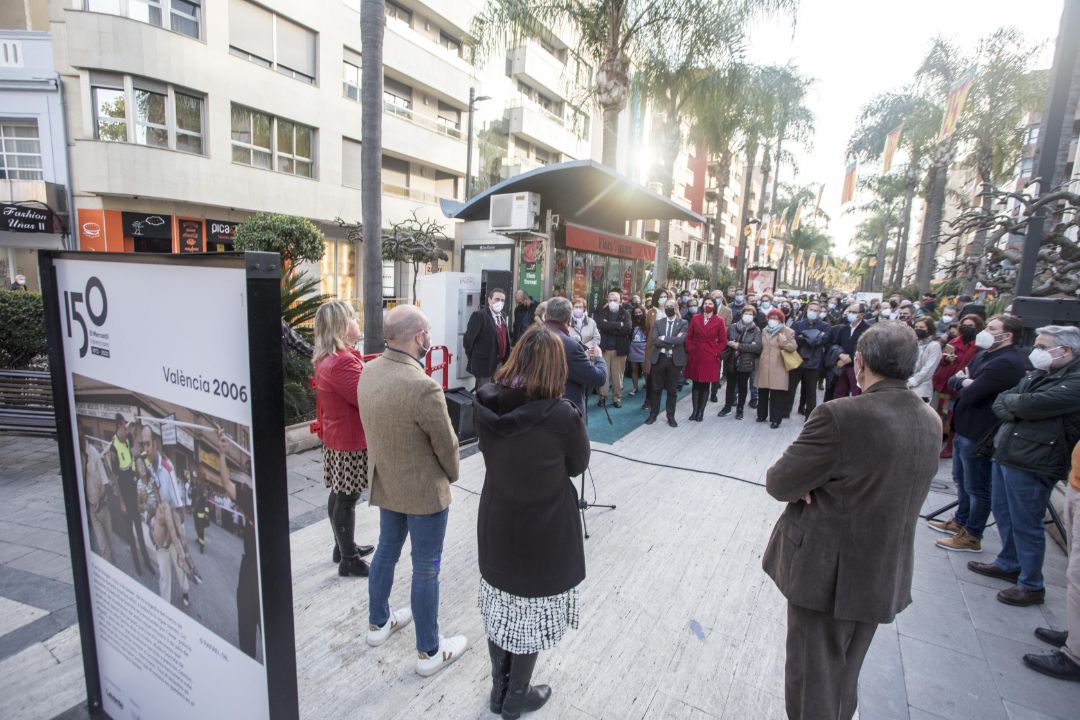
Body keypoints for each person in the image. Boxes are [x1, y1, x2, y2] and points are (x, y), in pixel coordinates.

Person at [763, 322, 941, 720]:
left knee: (813, 679)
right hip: (883, 571)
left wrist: (812, 483)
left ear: (859, 362)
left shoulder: (842, 415)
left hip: (829, 574)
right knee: (845, 674)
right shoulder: (929, 418)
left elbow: (780, 481)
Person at [473, 326, 590, 718]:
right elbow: (577, 465)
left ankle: (499, 690)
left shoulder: (485, 401)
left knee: (501, 609)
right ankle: (516, 696)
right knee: (530, 615)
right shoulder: (562, 417)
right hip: (543, 529)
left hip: (497, 521)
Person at [357, 305, 467, 677]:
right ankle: (429, 651)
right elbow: (448, 446)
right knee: (426, 569)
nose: (429, 337)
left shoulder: (367, 371)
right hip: (423, 492)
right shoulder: (423, 385)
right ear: (419, 337)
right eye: (428, 331)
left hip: (387, 482)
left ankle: (377, 623)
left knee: (387, 549)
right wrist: (451, 475)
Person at [968, 325, 1080, 607]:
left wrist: (1017, 406)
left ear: (1065, 350)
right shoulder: (1042, 373)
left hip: (1035, 459)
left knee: (1027, 522)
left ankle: (1031, 584)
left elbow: (1031, 404)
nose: (1035, 352)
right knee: (1005, 512)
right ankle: (1009, 562)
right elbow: (1004, 401)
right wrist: (1018, 406)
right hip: (1009, 452)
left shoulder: (1075, 381)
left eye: (1043, 347)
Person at [931, 315, 1026, 552]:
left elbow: (972, 392)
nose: (986, 331)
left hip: (981, 431)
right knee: (962, 480)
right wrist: (964, 383)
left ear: (1008, 335)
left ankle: (972, 534)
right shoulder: (984, 354)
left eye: (992, 328)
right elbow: (956, 379)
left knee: (977, 486)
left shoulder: (1006, 362)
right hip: (964, 427)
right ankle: (960, 521)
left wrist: (965, 384)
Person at [312, 300, 375, 577]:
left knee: (339, 493)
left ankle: (343, 546)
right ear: (340, 326)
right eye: (352, 318)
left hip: (337, 435)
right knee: (347, 498)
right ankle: (348, 559)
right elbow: (366, 397)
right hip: (349, 440)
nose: (357, 322)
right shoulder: (343, 361)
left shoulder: (329, 357)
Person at [1022, 438, 1080, 681]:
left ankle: (1076, 656)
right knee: (1074, 571)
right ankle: (1076, 636)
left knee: (1078, 576)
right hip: (1076, 481)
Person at [931, 314, 985, 458]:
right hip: (942, 384)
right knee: (938, 414)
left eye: (971, 326)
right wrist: (945, 359)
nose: (966, 328)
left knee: (952, 416)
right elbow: (942, 362)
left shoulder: (978, 347)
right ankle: (936, 443)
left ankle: (949, 446)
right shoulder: (954, 342)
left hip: (959, 387)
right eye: (964, 325)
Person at [107, 414, 154, 576]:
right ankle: (137, 565)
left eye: (126, 427)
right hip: (124, 496)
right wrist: (121, 503)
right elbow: (114, 479)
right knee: (130, 532)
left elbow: (134, 442)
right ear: (118, 426)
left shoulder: (127, 437)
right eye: (124, 426)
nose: (125, 429)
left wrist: (135, 423)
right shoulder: (113, 448)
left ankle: (147, 562)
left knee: (140, 531)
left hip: (133, 491)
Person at [542, 297, 607, 415]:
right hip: (565, 412)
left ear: (546, 315)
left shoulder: (531, 336)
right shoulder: (569, 346)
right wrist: (599, 357)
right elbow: (598, 378)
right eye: (575, 308)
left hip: (537, 409)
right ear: (568, 319)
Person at [645, 298, 688, 428]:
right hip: (660, 358)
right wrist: (672, 341)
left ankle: (671, 416)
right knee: (656, 388)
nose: (669, 308)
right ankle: (653, 414)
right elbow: (655, 341)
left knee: (672, 390)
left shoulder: (683, 323)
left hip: (674, 360)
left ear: (676, 308)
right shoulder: (658, 323)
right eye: (667, 306)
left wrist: (665, 338)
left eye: (672, 306)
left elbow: (680, 340)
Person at [683, 297, 727, 422]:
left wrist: (715, 351)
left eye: (710, 303)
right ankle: (694, 411)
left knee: (705, 384)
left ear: (714, 306)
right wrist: (691, 348)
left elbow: (723, 341)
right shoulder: (696, 318)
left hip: (710, 355)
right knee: (695, 384)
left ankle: (701, 412)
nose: (707, 305)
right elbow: (689, 337)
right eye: (706, 303)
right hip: (696, 354)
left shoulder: (719, 320)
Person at [786, 301, 830, 419]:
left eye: (816, 310)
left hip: (814, 363)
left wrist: (804, 336)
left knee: (811, 391)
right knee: (790, 388)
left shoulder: (824, 326)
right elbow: (795, 339)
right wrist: (815, 336)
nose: (813, 312)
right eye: (811, 310)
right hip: (797, 360)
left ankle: (809, 416)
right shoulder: (798, 324)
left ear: (820, 312)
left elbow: (823, 340)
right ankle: (786, 411)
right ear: (807, 310)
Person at [718, 306, 762, 421]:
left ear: (753, 316)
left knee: (743, 386)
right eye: (746, 313)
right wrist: (732, 343)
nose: (748, 316)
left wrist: (738, 346)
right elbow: (726, 340)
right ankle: (727, 407)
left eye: (750, 314)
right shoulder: (733, 327)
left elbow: (757, 347)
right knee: (730, 385)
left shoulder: (756, 330)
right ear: (742, 315)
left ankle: (740, 409)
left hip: (746, 362)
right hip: (732, 360)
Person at [756, 308, 798, 429]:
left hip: (779, 365)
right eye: (771, 318)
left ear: (781, 320)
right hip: (764, 364)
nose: (773, 320)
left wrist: (784, 342)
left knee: (777, 394)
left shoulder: (787, 331)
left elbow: (793, 347)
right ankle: (761, 415)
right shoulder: (764, 330)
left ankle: (776, 419)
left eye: (776, 318)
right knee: (763, 391)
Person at [464, 287, 510, 390]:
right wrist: (474, 357)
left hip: (499, 364)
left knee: (495, 392)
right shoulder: (479, 316)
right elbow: (468, 340)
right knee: (483, 393)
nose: (500, 302)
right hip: (484, 365)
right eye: (497, 299)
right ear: (489, 300)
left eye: (502, 300)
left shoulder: (502, 315)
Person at [595, 290, 632, 408]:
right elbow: (600, 325)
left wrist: (609, 325)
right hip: (605, 349)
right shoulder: (602, 312)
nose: (612, 302)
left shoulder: (625, 313)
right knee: (604, 375)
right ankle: (602, 397)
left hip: (619, 350)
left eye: (615, 300)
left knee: (618, 377)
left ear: (620, 301)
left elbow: (627, 329)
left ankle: (617, 398)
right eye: (610, 300)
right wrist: (618, 325)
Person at [829, 303, 869, 400]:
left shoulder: (868, 329)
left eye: (854, 312)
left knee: (856, 394)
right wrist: (840, 355)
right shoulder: (844, 328)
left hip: (857, 367)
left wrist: (849, 358)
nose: (850, 314)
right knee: (839, 393)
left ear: (862, 315)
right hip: (841, 367)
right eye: (849, 312)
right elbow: (835, 344)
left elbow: (866, 348)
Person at [642, 288, 669, 411]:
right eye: (661, 296)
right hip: (653, 347)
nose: (663, 299)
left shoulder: (672, 311)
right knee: (650, 374)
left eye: (665, 296)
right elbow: (648, 328)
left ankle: (657, 401)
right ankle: (648, 400)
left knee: (661, 375)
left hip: (668, 348)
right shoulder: (651, 312)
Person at [907, 317, 942, 402]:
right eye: (916, 327)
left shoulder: (934, 346)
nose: (918, 329)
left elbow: (929, 369)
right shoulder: (914, 343)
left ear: (929, 329)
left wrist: (912, 382)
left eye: (922, 327)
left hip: (922, 389)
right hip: (906, 385)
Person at [627, 306, 648, 396]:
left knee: (645, 369)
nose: (638, 314)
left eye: (640, 312)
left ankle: (648, 385)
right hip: (633, 347)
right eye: (636, 313)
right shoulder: (631, 323)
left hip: (644, 347)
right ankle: (635, 387)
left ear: (643, 312)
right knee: (634, 369)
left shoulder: (647, 323)